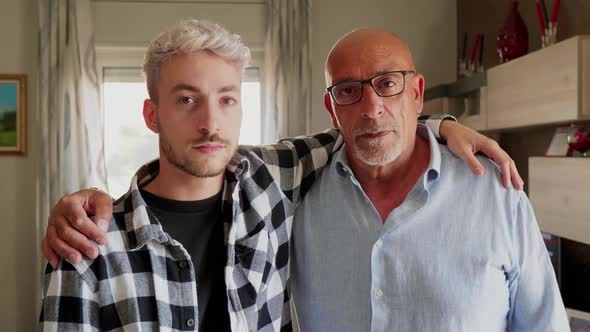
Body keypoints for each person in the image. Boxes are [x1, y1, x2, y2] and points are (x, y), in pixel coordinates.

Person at [39, 20, 523, 331]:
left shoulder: (271, 180)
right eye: (187, 100)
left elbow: (368, 125)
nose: (211, 121)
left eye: (227, 98)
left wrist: (440, 126)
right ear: (152, 114)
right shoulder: (88, 244)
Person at [290, 28, 568, 331]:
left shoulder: (496, 194)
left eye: (388, 83)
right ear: (332, 109)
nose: (371, 108)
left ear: (417, 94)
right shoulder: (297, 202)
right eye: (347, 91)